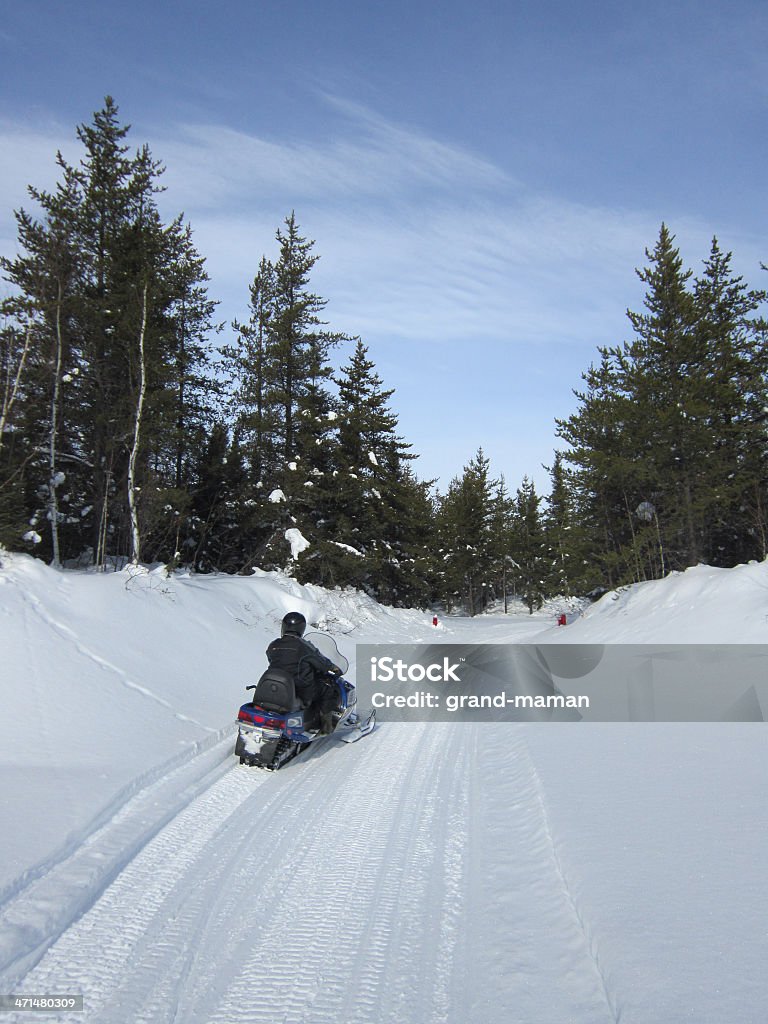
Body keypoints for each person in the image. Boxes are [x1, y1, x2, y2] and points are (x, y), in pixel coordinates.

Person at [266, 611, 342, 733]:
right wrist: (333, 668)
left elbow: (272, 659)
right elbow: (321, 663)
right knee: (328, 688)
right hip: (300, 689)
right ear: (301, 628)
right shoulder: (304, 646)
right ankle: (326, 726)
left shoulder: (273, 645)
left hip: (272, 687)